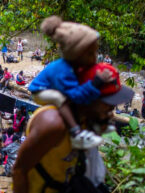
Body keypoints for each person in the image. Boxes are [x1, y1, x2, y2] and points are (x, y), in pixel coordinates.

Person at [12, 63, 132, 193]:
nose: (112, 109)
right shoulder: (53, 124)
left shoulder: (84, 118)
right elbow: (19, 171)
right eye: (108, 103)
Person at [28, 16, 114, 150]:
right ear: (76, 54)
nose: (95, 57)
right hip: (41, 90)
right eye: (90, 53)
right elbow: (75, 95)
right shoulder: (63, 71)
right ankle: (76, 133)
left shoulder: (76, 67)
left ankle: (97, 121)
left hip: (60, 87)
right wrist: (96, 82)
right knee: (61, 99)